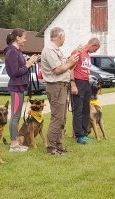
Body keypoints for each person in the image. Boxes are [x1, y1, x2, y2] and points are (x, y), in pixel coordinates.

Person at [41, 27, 79, 155]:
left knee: (62, 118)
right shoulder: (49, 50)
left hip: (61, 86)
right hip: (55, 86)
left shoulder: (57, 50)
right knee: (57, 117)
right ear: (59, 36)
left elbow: (67, 68)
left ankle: (58, 145)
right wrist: (69, 62)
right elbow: (57, 69)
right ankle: (51, 148)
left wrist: (73, 60)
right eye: (64, 37)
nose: (64, 39)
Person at [4, 28, 40, 152]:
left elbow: (21, 68)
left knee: (17, 116)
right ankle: (13, 144)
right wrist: (28, 64)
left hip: (20, 86)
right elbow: (14, 72)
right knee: (15, 116)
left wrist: (30, 62)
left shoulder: (17, 51)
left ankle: (16, 143)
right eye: (24, 37)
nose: (25, 39)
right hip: (16, 87)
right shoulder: (12, 52)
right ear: (17, 38)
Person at [70, 38, 100, 144]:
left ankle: (84, 133)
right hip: (78, 82)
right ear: (92, 45)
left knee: (86, 109)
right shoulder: (77, 51)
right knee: (78, 109)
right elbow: (71, 68)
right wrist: (72, 83)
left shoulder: (87, 55)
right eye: (95, 49)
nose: (95, 51)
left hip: (86, 82)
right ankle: (78, 135)